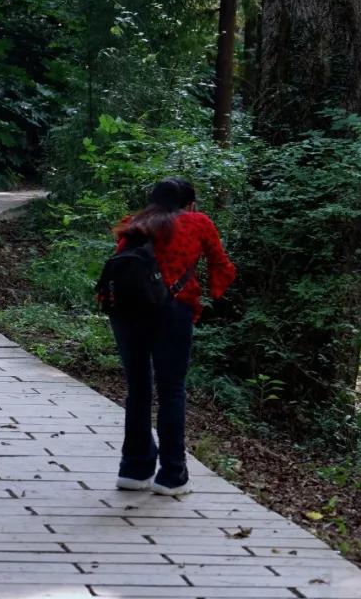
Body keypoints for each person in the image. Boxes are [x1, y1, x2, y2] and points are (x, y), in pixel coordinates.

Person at [109, 177, 235, 496]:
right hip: (172, 311)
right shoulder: (198, 222)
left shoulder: (135, 224)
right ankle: (172, 475)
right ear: (190, 204)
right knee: (171, 390)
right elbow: (222, 265)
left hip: (126, 312)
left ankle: (134, 470)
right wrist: (215, 293)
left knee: (138, 389)